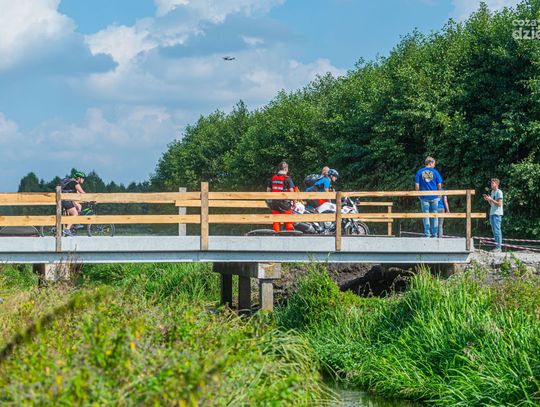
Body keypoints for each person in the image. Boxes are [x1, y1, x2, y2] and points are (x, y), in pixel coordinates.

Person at [415, 157, 443, 238]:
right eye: (434, 163)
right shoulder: (435, 172)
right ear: (430, 163)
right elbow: (439, 185)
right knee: (435, 215)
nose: (434, 165)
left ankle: (427, 234)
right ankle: (434, 234)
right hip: (434, 197)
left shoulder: (419, 172)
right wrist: (439, 194)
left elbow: (417, 185)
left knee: (425, 215)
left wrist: (418, 194)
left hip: (424, 197)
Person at [267, 162, 295, 233]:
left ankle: (276, 233)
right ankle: (289, 233)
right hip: (284, 203)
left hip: (274, 203)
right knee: (288, 218)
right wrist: (294, 202)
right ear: (285, 169)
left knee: (276, 219)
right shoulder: (287, 179)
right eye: (287, 168)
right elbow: (292, 192)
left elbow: (268, 191)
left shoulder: (273, 178)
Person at [60, 171, 86, 236]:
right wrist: (91, 199)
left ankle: (75, 223)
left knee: (79, 206)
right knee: (75, 213)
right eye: (83, 178)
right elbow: (83, 193)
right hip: (66, 201)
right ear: (79, 178)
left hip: (66, 200)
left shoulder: (71, 183)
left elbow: (78, 195)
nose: (83, 179)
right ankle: (67, 229)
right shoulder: (75, 183)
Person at [483, 178, 503, 252]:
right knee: (494, 231)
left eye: (493, 183)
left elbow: (499, 204)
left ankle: (499, 248)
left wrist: (491, 199)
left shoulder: (499, 192)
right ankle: (497, 247)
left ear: (497, 184)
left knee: (497, 231)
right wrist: (488, 200)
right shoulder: (492, 192)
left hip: (497, 214)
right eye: (491, 183)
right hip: (492, 213)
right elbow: (492, 204)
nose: (491, 184)